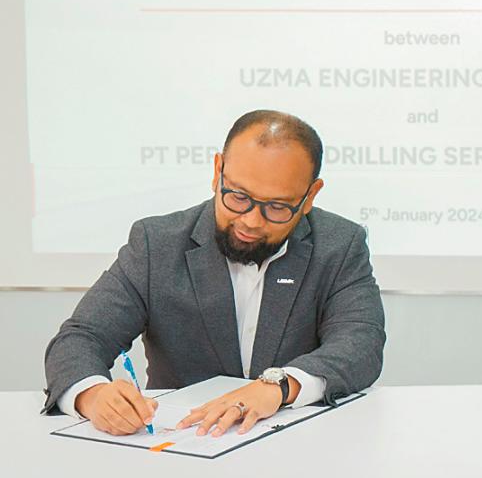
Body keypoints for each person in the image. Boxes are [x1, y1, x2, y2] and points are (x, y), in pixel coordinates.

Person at [43, 110, 385, 437]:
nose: (251, 220)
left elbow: (361, 345)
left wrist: (278, 387)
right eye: (237, 197)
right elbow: (81, 338)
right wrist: (93, 395)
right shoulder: (156, 244)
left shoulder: (340, 245)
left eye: (277, 207)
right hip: (182, 443)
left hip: (297, 445)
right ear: (217, 170)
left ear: (310, 195)